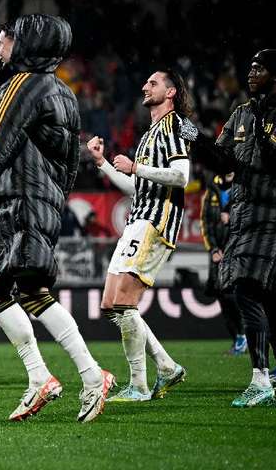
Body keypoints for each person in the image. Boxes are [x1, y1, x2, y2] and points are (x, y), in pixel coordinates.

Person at [0, 15, 113, 423]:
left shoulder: (21, 86)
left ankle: (85, 376)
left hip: (19, 203)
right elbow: (72, 158)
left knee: (15, 289)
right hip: (36, 201)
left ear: (24, 45)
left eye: (4, 41)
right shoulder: (63, 92)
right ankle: (51, 376)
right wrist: (56, 197)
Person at [187, 48, 276, 407]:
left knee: (245, 290)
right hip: (244, 217)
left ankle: (260, 380)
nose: (251, 72)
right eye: (251, 65)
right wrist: (194, 138)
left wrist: (264, 132)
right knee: (269, 302)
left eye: (259, 67)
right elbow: (223, 160)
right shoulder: (242, 112)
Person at [86, 68, 191, 402]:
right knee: (110, 304)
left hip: (156, 221)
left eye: (154, 82)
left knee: (123, 302)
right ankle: (165, 365)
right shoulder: (149, 133)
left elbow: (181, 176)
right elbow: (136, 186)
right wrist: (103, 163)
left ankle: (140, 385)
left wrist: (137, 167)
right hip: (138, 218)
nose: (145, 86)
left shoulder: (173, 125)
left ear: (171, 92)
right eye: (145, 81)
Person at [201, 172, 247, 355]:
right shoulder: (212, 189)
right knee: (221, 296)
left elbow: (249, 219)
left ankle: (245, 335)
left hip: (236, 253)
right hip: (216, 254)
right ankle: (237, 338)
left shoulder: (243, 186)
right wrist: (212, 249)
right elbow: (205, 223)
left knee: (234, 295)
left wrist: (232, 249)